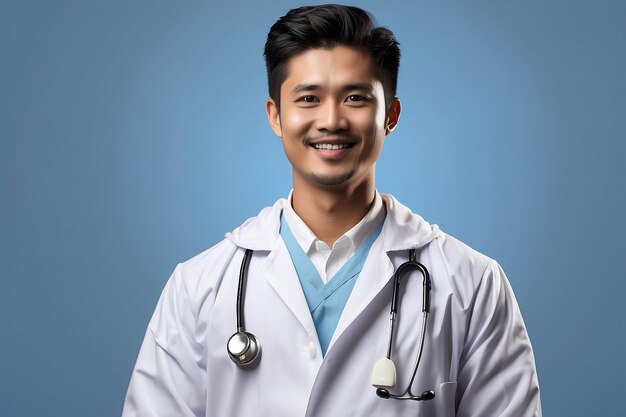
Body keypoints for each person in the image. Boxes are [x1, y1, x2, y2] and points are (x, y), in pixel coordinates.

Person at [122, 4, 541, 416]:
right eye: (308, 98)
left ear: (390, 115)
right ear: (276, 116)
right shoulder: (197, 288)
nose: (331, 120)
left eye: (355, 97)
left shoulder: (473, 286)